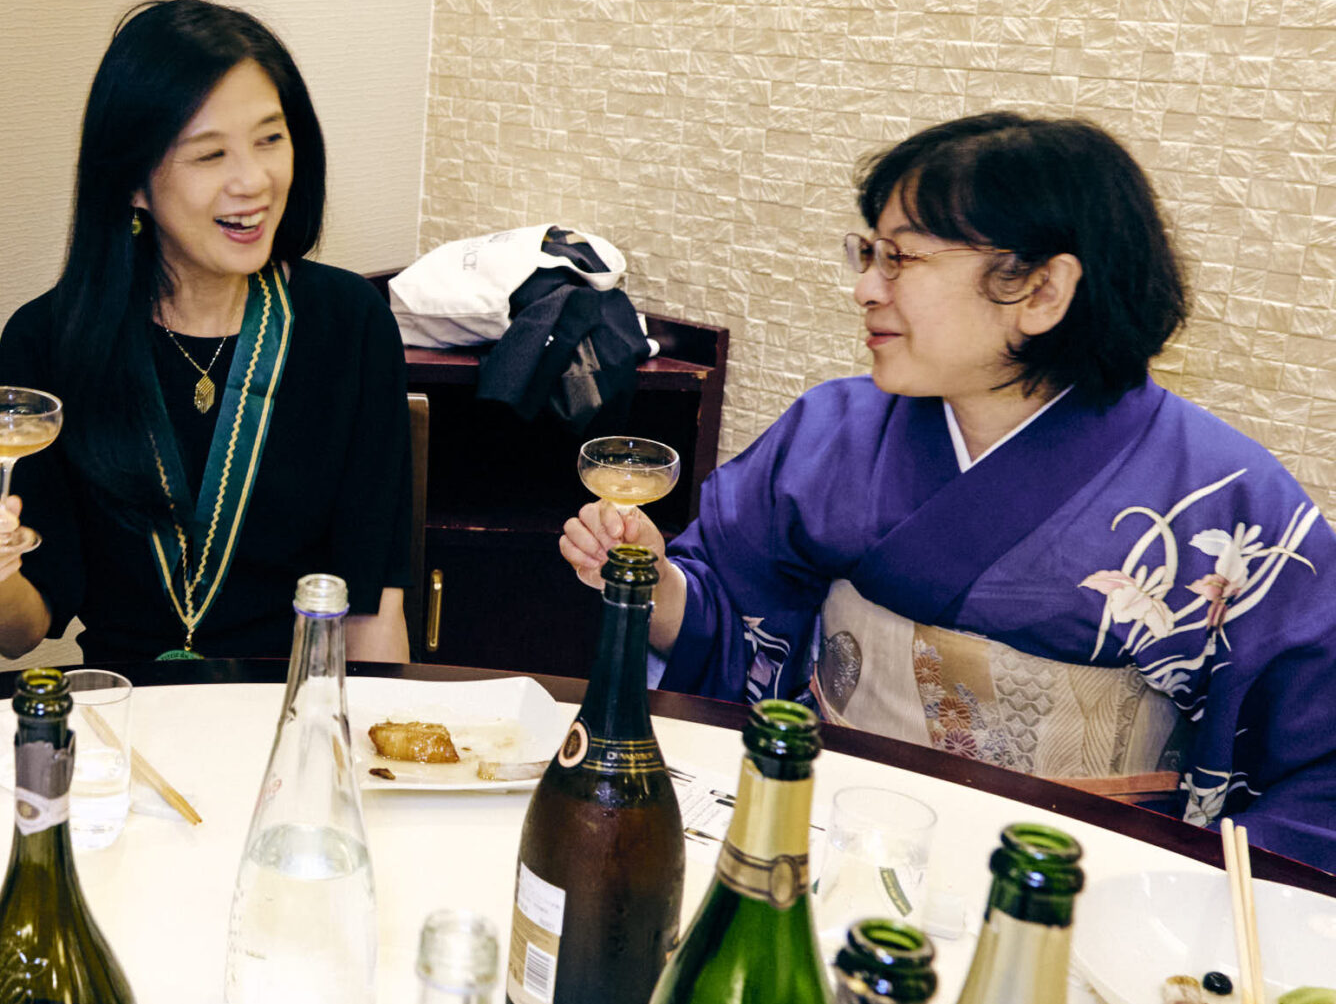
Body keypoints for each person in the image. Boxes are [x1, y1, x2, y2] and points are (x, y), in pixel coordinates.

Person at [561, 112, 1336, 870]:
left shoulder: (1223, 502)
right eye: (868, 253)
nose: (866, 287)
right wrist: (655, 585)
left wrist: (1187, 904)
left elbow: (1316, 774)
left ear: (1040, 290)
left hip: (1078, 888)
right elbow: (729, 616)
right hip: (827, 841)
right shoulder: (833, 432)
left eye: (899, 257)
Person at [0, 0, 413, 664]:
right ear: (132, 182)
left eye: (270, 139)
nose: (253, 181)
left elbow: (373, 611)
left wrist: (360, 732)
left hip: (289, 705)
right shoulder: (49, 339)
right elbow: (16, 632)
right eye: (209, 154)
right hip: (122, 710)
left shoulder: (350, 323)